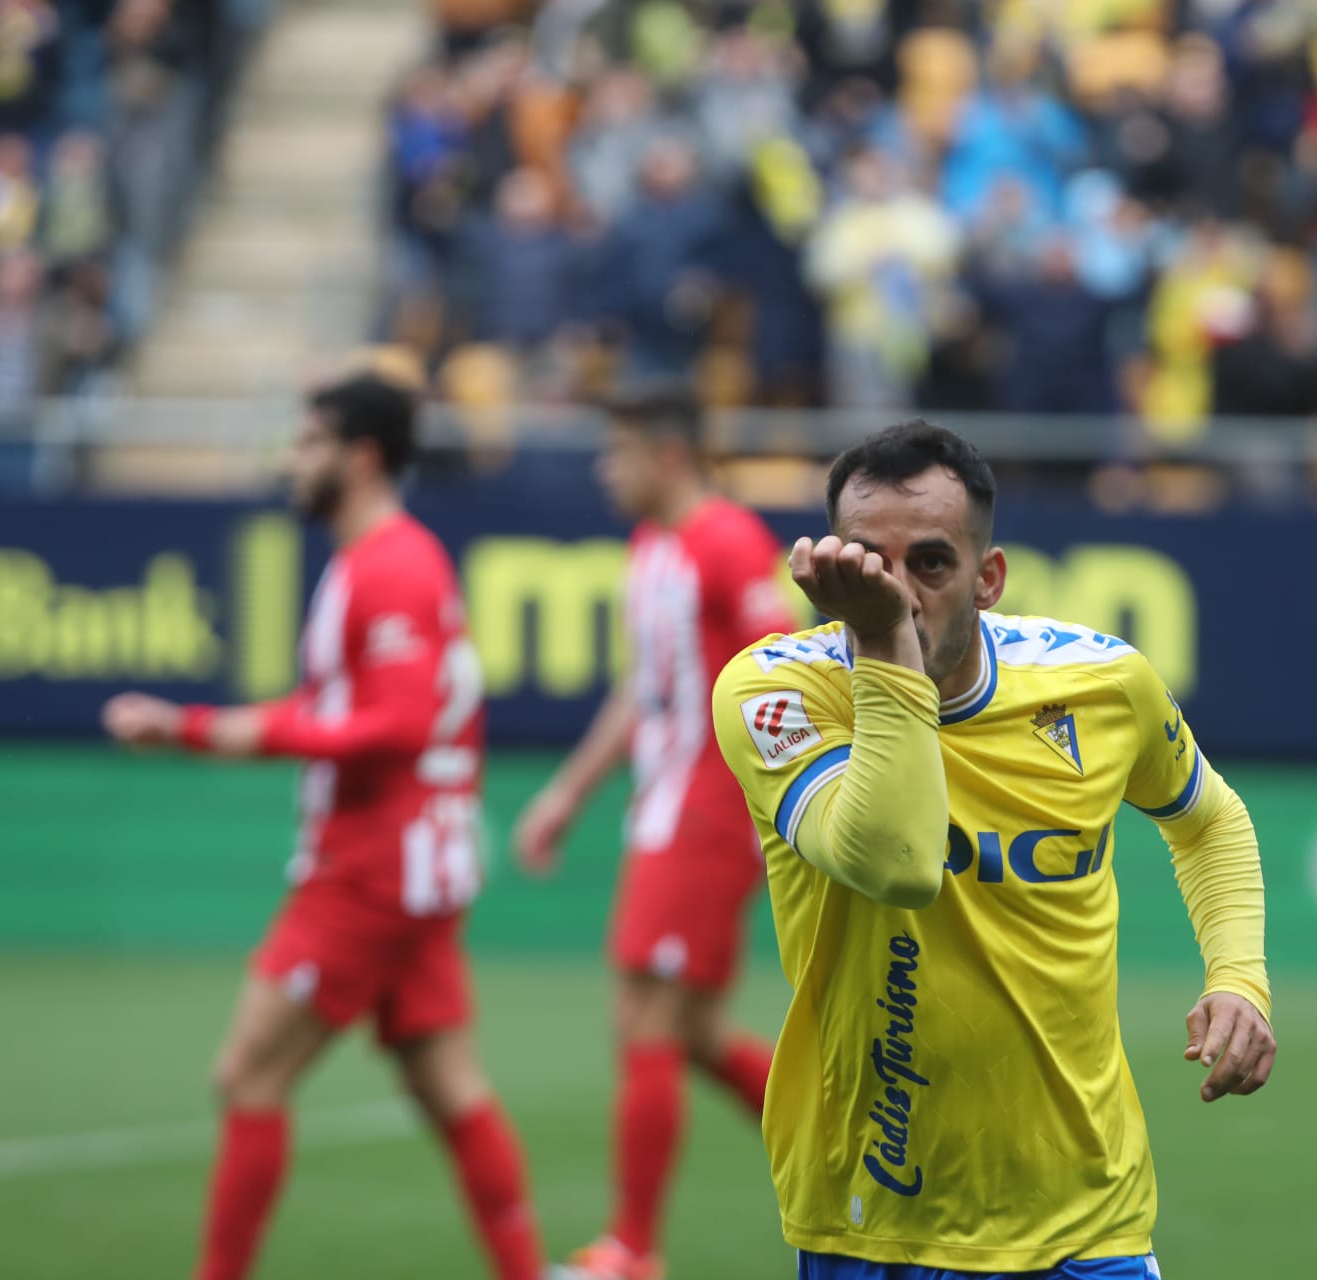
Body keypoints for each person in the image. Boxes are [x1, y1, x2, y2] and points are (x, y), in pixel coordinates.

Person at [710, 421, 1274, 1278]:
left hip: (1086, 1213)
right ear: (831, 573)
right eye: (870, 563)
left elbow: (1210, 820)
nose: (897, 592)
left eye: (931, 563)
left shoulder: (1102, 685)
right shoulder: (777, 693)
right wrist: (888, 651)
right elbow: (894, 864)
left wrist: (1238, 976)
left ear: (989, 578)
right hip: (871, 1215)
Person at [100, 373, 543, 1280]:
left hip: (371, 870)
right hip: (414, 867)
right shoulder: (376, 560)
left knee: (249, 1077)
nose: (291, 462)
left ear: (362, 455)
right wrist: (206, 728)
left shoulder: (390, 564)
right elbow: (349, 707)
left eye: (307, 443)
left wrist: (199, 731)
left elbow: (397, 724)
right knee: (445, 1084)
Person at [514, 387, 795, 1280]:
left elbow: (779, 676)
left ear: (668, 456)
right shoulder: (651, 548)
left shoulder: (727, 542)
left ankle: (632, 1251)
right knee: (694, 1030)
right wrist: (567, 794)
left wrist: (775, 814)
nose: (606, 468)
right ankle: (860, 1150)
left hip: (710, 813)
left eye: (619, 451)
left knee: (645, 1017)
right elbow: (642, 691)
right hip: (664, 807)